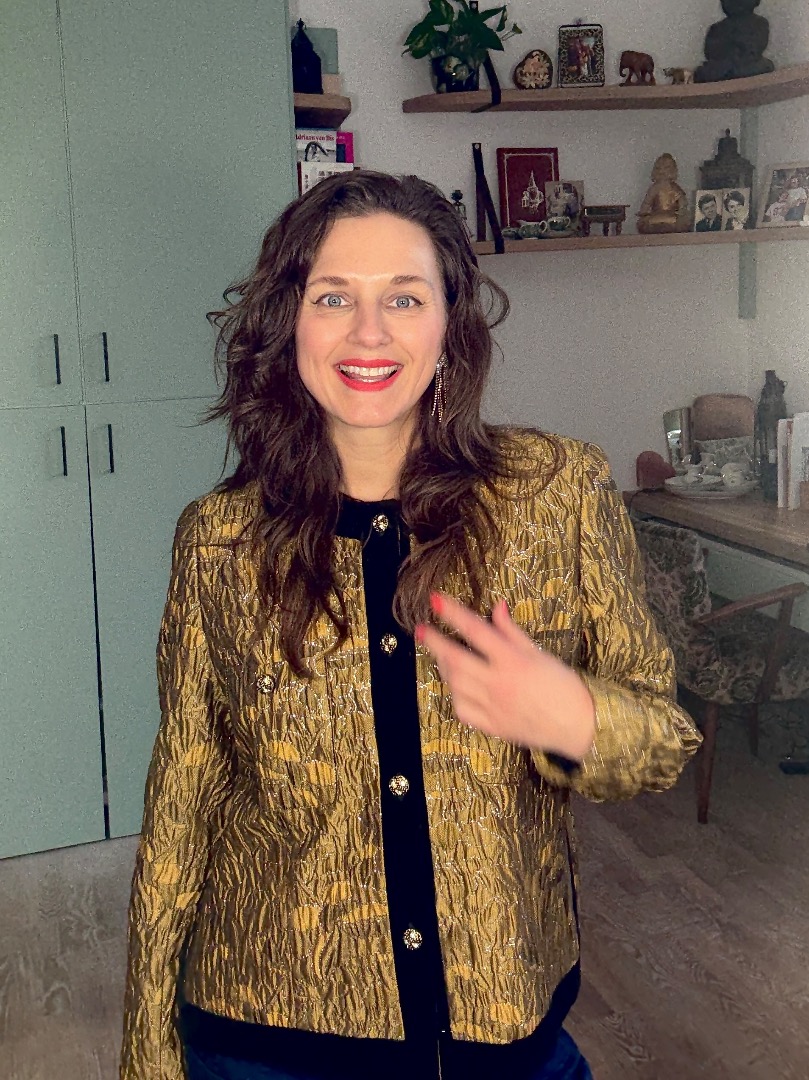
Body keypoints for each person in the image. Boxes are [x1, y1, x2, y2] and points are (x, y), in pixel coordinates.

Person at [120, 169, 701, 1080]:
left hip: (501, 1027)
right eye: (332, 297)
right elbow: (183, 800)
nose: (368, 332)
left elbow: (663, 744)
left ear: (449, 324)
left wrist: (576, 718)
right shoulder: (219, 541)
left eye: (403, 297)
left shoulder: (555, 494)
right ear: (289, 322)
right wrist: (148, 1050)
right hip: (266, 1034)